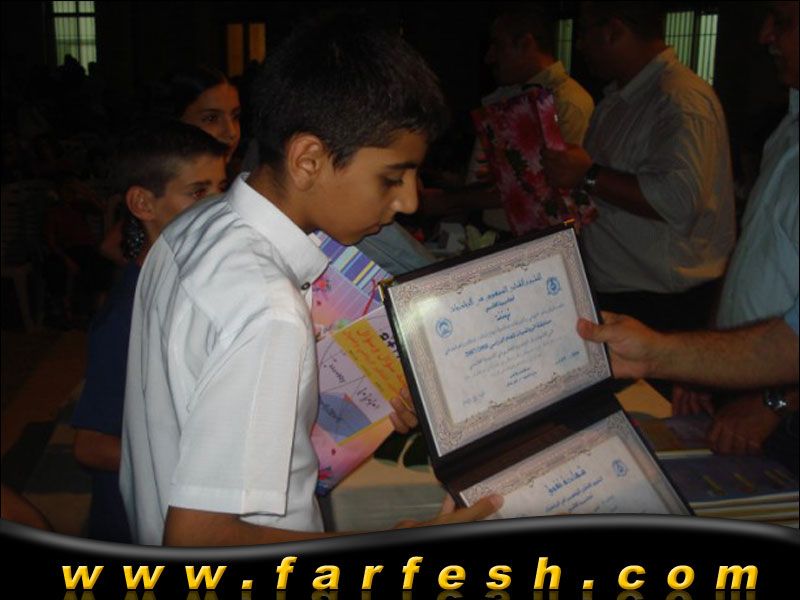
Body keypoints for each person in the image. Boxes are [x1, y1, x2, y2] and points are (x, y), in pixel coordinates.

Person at [120, 14, 501, 547]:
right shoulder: (268, 310)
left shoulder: (193, 226)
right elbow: (199, 536)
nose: (409, 201)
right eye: (392, 177)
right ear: (309, 160)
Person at [71, 121, 229, 543]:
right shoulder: (126, 314)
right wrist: (199, 468)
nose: (220, 206)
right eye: (198, 192)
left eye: (222, 188)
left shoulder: (185, 282)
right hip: (139, 520)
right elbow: (90, 445)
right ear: (143, 203)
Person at [543, 1, 736, 332]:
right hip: (620, 292)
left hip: (661, 303)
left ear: (614, 30)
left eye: (585, 31)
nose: (580, 44)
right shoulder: (619, 100)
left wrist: (588, 174)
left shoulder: (679, 98)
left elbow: (677, 199)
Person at [671, 1, 800, 458]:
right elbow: (751, 256)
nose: (765, 35)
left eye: (783, 21)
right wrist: (708, 361)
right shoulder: (789, 127)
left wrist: (777, 402)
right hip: (750, 382)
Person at [576, 300, 798, 467]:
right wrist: (698, 368)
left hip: (781, 408)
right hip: (739, 369)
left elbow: (787, 345)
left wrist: (778, 400)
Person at [433, 7, 595, 233]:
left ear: (526, 43)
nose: (489, 57)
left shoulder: (566, 101)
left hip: (535, 237)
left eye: (497, 45)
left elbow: (545, 188)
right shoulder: (506, 95)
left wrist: (450, 200)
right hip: (492, 229)